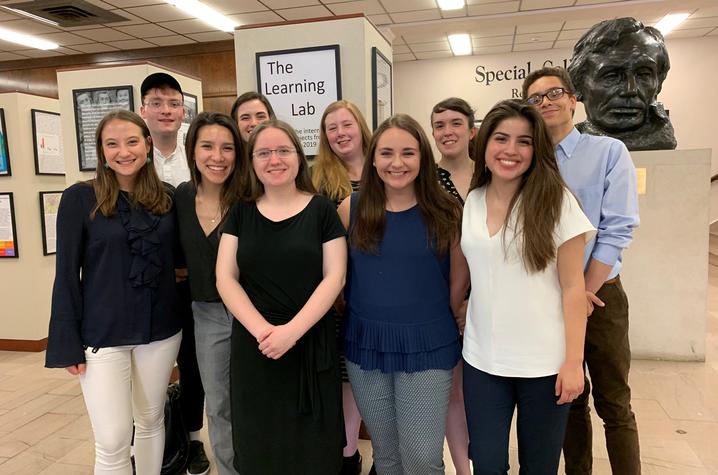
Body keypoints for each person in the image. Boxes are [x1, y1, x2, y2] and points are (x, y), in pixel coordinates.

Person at [460, 99, 594, 474]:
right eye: (501, 138)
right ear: (484, 144)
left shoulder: (557, 202)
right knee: (485, 462)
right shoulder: (473, 200)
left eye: (524, 141)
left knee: (538, 465)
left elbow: (573, 288)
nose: (511, 151)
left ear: (537, 149)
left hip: (544, 364)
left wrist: (572, 362)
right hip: (483, 360)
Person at [45, 109, 181, 474]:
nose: (124, 151)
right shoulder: (79, 199)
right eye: (112, 144)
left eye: (132, 141)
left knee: (151, 420)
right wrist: (66, 339)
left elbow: (180, 260)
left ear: (148, 145)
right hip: (103, 332)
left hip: (161, 329)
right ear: (101, 152)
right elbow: (66, 275)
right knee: (112, 439)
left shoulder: (167, 198)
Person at [522, 67, 641, 474]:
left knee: (614, 403)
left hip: (602, 296)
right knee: (569, 398)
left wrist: (584, 295)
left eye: (554, 93)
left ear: (573, 100)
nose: (546, 102)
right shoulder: (528, 163)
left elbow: (617, 227)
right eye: (536, 99)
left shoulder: (608, 152)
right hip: (549, 301)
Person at [215, 119, 346, 474]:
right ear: (252, 161)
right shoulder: (241, 212)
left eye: (283, 150)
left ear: (299, 158)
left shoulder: (321, 210)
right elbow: (225, 278)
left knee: (313, 448)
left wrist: (292, 332)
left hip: (310, 340)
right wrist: (263, 331)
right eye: (264, 153)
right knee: (259, 442)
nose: (275, 159)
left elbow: (334, 278)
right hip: (255, 346)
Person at [338, 113, 465, 474]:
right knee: (387, 453)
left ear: (423, 157)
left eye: (408, 153)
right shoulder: (352, 208)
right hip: (366, 344)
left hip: (427, 343)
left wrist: (446, 316)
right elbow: (336, 274)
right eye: (387, 153)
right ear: (373, 158)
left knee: (422, 457)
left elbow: (458, 277)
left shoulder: (446, 210)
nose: (397, 163)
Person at [140, 72, 210, 474]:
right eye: (156, 102)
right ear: (143, 109)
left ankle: (195, 438)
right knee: (146, 364)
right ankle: (150, 436)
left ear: (183, 111)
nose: (165, 110)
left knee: (193, 362)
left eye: (173, 103)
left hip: (193, 281)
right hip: (149, 283)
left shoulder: (196, 157)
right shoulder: (134, 157)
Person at [175, 112, 245, 475]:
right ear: (192, 150)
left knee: (256, 400)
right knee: (219, 404)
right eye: (207, 146)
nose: (217, 156)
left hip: (255, 315)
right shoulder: (181, 198)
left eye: (227, 147)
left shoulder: (251, 196)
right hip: (207, 314)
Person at [312, 99, 372, 475]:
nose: (340, 133)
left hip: (384, 298)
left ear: (360, 125)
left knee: (380, 384)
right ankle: (348, 456)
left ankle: (386, 459)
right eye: (331, 128)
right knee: (347, 383)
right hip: (339, 299)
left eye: (346, 124)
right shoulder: (318, 181)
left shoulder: (388, 167)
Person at [430, 97, 476, 475]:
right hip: (449, 302)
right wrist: (454, 303)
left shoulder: (494, 173)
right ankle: (464, 468)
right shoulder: (426, 182)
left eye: (456, 123)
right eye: (440, 125)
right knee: (455, 392)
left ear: (471, 130)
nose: (448, 131)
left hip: (497, 299)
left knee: (491, 391)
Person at [567, 17, 676, 151]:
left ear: (658, 83)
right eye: (612, 76)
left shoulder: (662, 141)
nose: (630, 90)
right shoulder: (570, 146)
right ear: (577, 86)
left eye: (643, 74)